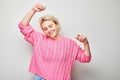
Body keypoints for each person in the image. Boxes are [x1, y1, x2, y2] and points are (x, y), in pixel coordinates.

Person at [18, 3, 91, 80]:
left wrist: (86, 43)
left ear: (56, 25)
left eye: (50, 26)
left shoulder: (70, 44)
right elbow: (23, 26)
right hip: (40, 78)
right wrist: (33, 10)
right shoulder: (39, 39)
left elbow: (86, 58)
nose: (49, 30)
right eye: (45, 29)